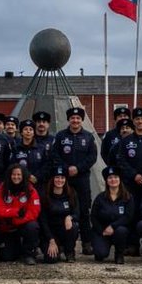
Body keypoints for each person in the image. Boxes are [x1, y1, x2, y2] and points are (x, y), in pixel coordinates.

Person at [50, 107, 98, 254]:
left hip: (82, 178)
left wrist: (78, 168)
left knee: (84, 211)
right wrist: (66, 168)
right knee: (64, 210)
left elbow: (92, 157)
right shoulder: (60, 136)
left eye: (78, 118)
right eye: (72, 118)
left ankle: (86, 242)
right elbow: (55, 155)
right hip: (64, 179)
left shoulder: (89, 137)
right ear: (68, 119)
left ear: (81, 120)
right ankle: (63, 242)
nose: (75, 120)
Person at [0, 165, 41, 264]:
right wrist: (15, 212)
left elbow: (34, 211)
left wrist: (15, 220)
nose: (16, 177)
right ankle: (18, 248)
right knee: (6, 257)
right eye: (13, 174)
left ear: (23, 176)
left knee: (33, 226)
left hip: (23, 224)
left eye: (19, 174)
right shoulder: (3, 188)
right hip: (8, 227)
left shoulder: (31, 190)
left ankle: (29, 254)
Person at [89, 166, 133, 264]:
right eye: (110, 177)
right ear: (106, 181)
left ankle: (119, 254)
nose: (113, 180)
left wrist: (113, 226)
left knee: (122, 230)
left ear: (120, 179)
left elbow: (128, 217)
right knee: (101, 254)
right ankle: (100, 247)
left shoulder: (127, 197)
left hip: (118, 230)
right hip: (102, 231)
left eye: (115, 177)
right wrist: (101, 231)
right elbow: (93, 217)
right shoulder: (100, 198)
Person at [39, 166, 78, 263]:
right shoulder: (45, 195)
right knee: (51, 259)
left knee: (73, 226)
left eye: (62, 178)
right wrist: (51, 240)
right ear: (52, 179)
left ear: (65, 180)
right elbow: (42, 220)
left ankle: (69, 252)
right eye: (57, 177)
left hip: (64, 231)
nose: (59, 180)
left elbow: (77, 213)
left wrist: (70, 217)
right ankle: (58, 248)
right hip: (49, 233)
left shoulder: (71, 193)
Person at [10, 120, 49, 187]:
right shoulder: (16, 148)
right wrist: (27, 176)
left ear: (34, 132)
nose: (28, 131)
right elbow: (13, 165)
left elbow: (46, 165)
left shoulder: (41, 148)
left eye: (31, 129)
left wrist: (37, 177)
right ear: (21, 132)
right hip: (20, 183)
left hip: (38, 183)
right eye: (25, 129)